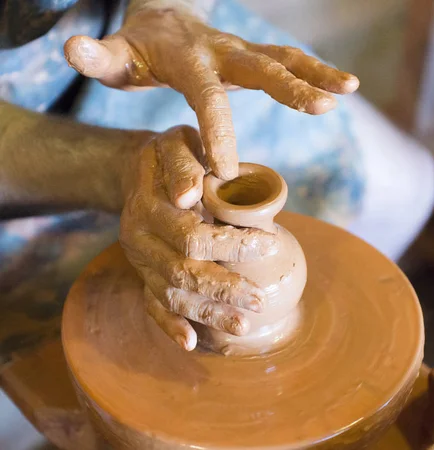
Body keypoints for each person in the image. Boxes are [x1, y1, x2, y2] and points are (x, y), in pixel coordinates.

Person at [0, 0, 365, 353]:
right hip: (16, 150)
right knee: (61, 340)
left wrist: (165, 11)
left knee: (368, 177)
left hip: (140, 49)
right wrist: (118, 168)